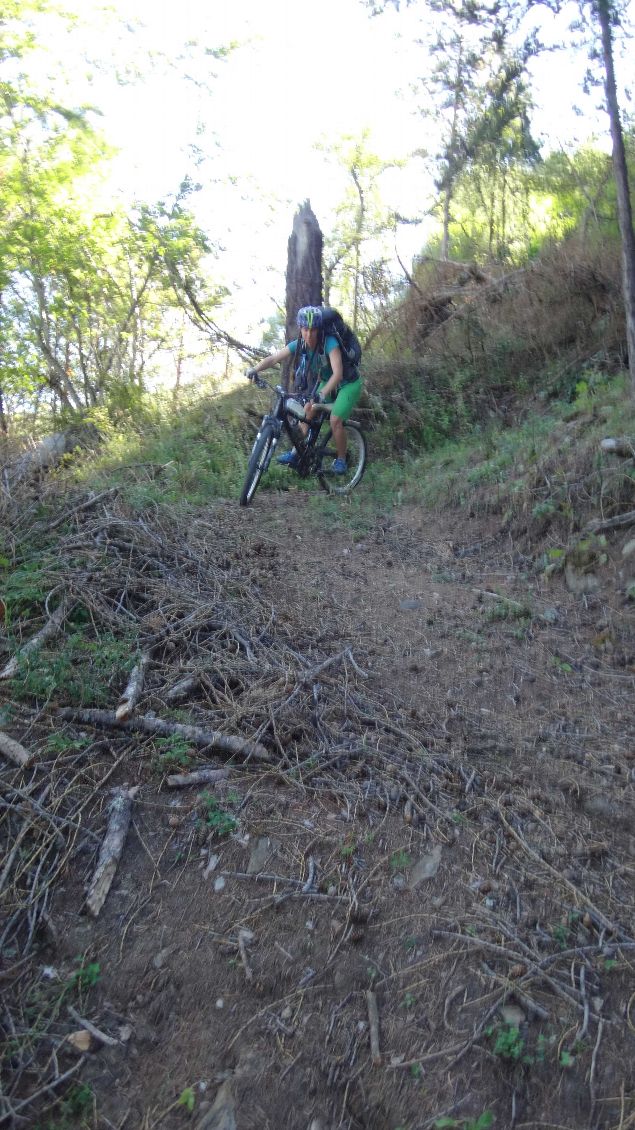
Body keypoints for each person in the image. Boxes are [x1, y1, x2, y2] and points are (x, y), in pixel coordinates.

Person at [246, 305, 363, 473]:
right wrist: (255, 369)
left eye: (313, 330)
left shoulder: (330, 342)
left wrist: (321, 395)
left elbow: (337, 374)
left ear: (319, 329)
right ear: (300, 328)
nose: (309, 334)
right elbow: (274, 359)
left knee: (335, 420)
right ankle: (296, 453)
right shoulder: (300, 344)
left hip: (348, 384)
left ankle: (342, 460)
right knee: (307, 410)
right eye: (305, 329)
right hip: (327, 382)